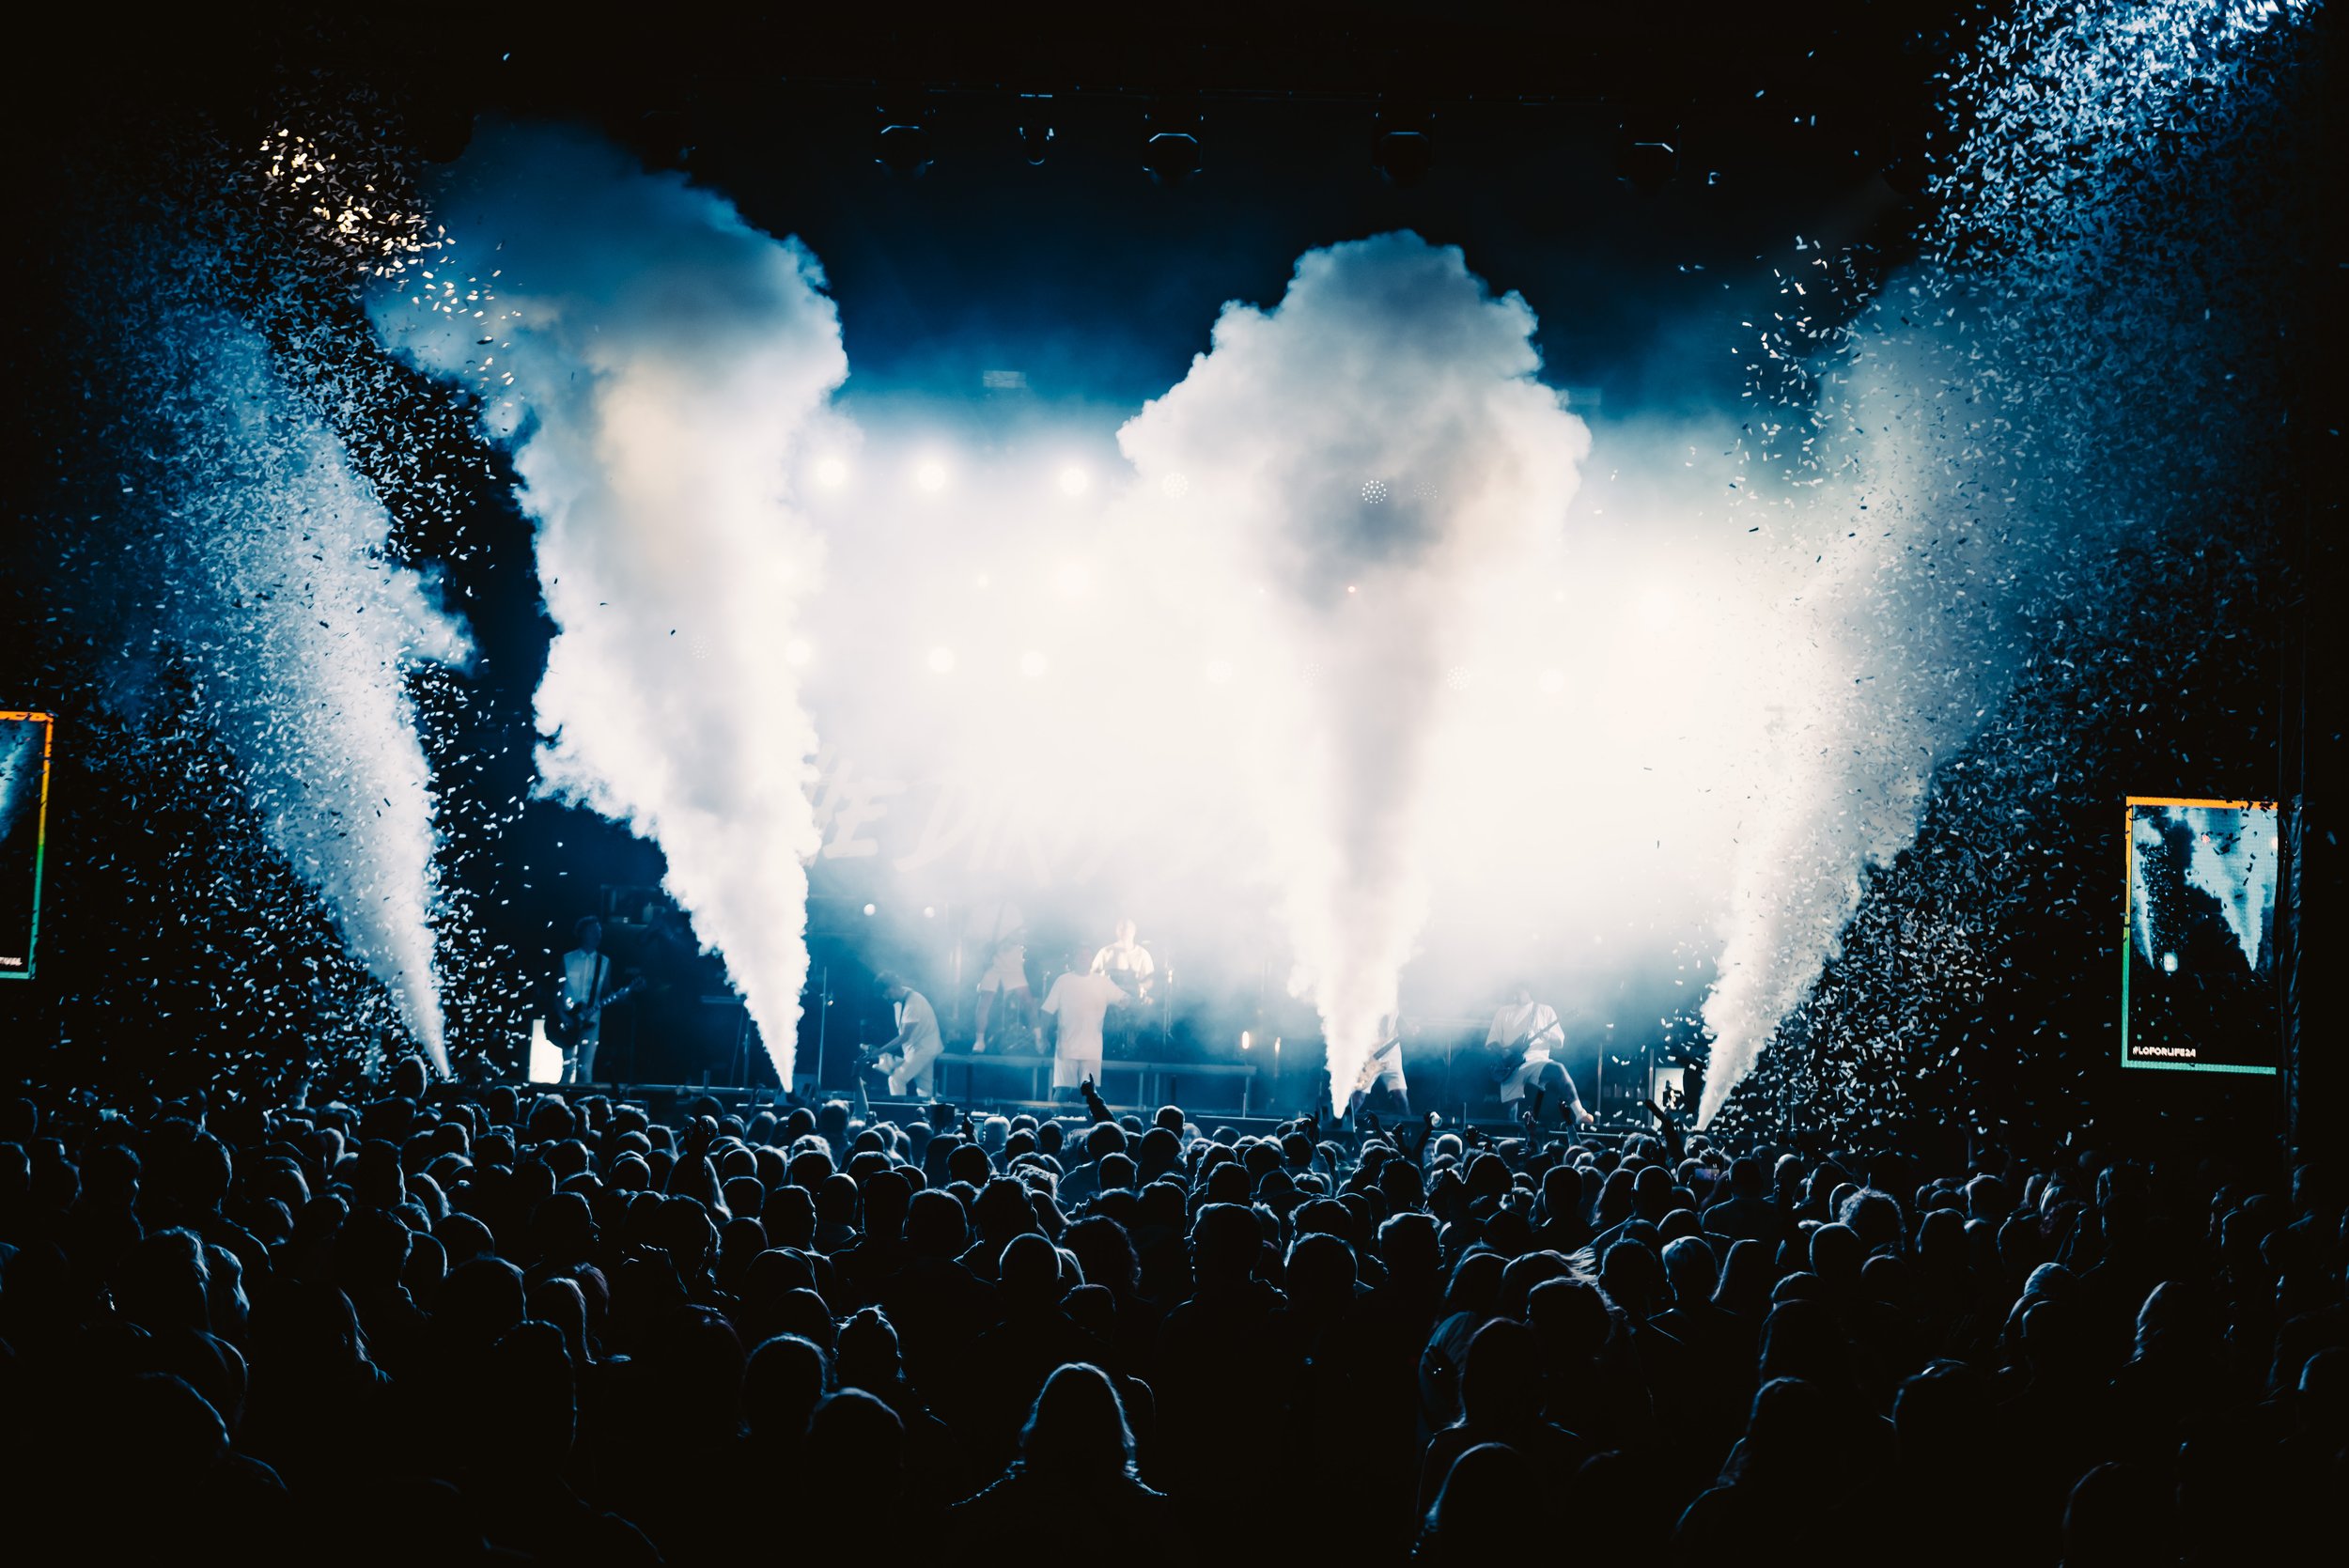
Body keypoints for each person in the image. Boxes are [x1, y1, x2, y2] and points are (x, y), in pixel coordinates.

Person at [1486, 984, 1592, 1124]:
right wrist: (1504, 1052)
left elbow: (1559, 1041)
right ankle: (1513, 1139)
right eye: (1513, 989)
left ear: (1528, 989)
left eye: (1518, 989)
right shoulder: (1503, 1012)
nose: (1515, 993)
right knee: (1510, 1114)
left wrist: (1544, 1033)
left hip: (1537, 1061)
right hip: (1510, 1067)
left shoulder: (1544, 1010)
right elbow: (1492, 1041)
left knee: (1558, 1069)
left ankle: (1580, 1113)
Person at [1041, 956, 1132, 1100]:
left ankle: (1089, 1122)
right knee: (1063, 1089)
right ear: (1074, 959)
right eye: (1080, 956)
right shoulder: (1063, 981)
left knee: (1090, 1092)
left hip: (1091, 1049)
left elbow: (1123, 998)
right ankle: (1055, 1120)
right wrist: (1042, 1036)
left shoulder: (1102, 982)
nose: (1084, 959)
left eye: (1087, 956)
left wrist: (1126, 1001)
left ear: (1091, 961)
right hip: (1066, 1048)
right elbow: (1047, 1010)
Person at [554, 917, 625, 1084]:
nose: (598, 934)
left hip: (591, 1020)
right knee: (568, 1067)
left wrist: (621, 995)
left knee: (585, 1069)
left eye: (599, 931)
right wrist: (562, 1015)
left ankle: (582, 1106)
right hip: (569, 1020)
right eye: (594, 931)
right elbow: (557, 990)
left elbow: (606, 991)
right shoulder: (567, 959)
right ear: (583, 933)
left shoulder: (605, 962)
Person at [971, 900, 1034, 1051]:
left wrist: (1010, 941)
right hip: (992, 964)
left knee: (1026, 999)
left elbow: (1021, 935)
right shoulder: (982, 909)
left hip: (1010, 963)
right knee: (984, 1002)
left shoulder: (1011, 908)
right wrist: (983, 949)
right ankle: (979, 1041)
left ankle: (1038, 1037)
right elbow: (973, 937)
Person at [871, 973, 944, 1101]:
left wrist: (880, 1051)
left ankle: (899, 1113)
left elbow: (904, 1037)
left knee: (896, 1079)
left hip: (924, 1049)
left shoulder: (913, 1003)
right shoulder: (900, 1002)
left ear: (893, 987)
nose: (884, 997)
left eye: (885, 993)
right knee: (926, 1090)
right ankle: (954, 1111)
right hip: (920, 1049)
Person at [1348, 1010, 1410, 1120]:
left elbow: (1396, 1015)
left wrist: (1406, 1026)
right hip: (1371, 1053)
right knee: (1359, 1097)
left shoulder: (1396, 996)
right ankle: (1343, 1125)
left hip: (1392, 1053)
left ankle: (1411, 1133)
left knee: (1400, 1098)